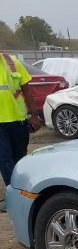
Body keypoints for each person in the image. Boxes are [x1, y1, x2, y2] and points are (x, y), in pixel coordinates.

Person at [0, 53, 41, 212]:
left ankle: (25, 194)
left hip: (18, 120)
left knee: (20, 160)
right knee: (5, 160)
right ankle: (15, 198)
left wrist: (34, 115)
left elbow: (26, 90)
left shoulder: (11, 61)